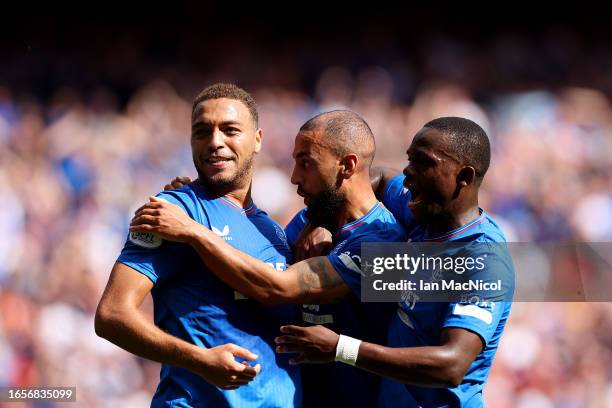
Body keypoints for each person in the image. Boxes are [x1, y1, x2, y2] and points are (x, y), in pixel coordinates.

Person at [129, 110, 407, 407]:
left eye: (306, 163)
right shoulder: (308, 221)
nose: (294, 177)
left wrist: (193, 230)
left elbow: (277, 288)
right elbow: (253, 261)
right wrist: (198, 204)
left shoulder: (386, 244)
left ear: (347, 166)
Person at [273, 117, 515, 407]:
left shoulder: (483, 258)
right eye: (409, 159)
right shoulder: (419, 210)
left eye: (423, 163)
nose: (408, 172)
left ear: (463, 177)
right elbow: (377, 176)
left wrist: (341, 348)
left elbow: (452, 365)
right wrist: (321, 218)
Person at [95, 83, 301, 407]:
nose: (215, 142)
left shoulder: (274, 231)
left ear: (258, 139)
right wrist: (199, 360)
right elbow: (111, 315)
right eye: (202, 132)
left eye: (230, 130)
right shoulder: (171, 211)